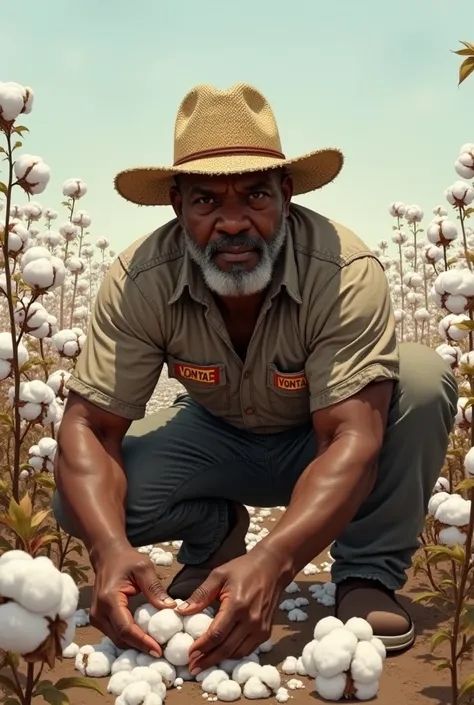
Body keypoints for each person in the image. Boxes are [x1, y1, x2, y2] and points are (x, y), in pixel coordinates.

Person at [53, 82, 457, 676]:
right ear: (176, 204)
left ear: (287, 195)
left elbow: (352, 439)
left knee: (421, 378)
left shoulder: (342, 269)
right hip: (216, 439)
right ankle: (216, 529)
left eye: (256, 196)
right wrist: (108, 548)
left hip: (319, 445)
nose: (233, 222)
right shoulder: (142, 277)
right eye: (207, 202)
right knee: (77, 498)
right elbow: (90, 425)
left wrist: (274, 562)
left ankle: (366, 574)